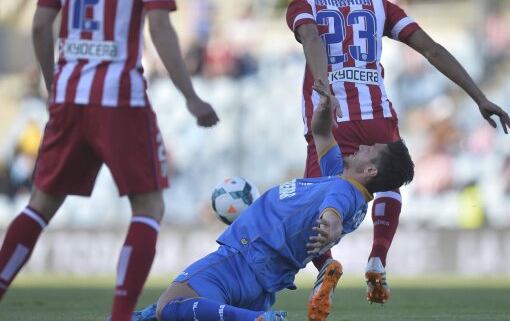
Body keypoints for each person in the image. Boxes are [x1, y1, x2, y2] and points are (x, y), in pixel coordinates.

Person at [285, 0, 510, 306]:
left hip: (330, 119)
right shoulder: (378, 6)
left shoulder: (305, 6)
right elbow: (431, 49)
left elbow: (311, 36)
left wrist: (323, 81)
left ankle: (326, 267)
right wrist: (479, 97)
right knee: (388, 180)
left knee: (314, 203)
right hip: (377, 116)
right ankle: (378, 256)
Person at [0, 0, 219, 320]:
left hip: (69, 96)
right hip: (120, 98)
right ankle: (120, 316)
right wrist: (191, 96)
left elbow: (39, 26)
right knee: (148, 207)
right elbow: (160, 27)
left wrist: (55, 87)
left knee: (40, 205)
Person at [128, 86, 414, 321]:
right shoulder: (345, 184)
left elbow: (333, 210)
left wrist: (331, 224)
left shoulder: (342, 190)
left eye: (372, 150)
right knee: (187, 312)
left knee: (171, 306)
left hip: (244, 258)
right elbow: (322, 134)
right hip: (264, 282)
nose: (364, 146)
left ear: (371, 171)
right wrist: (325, 108)